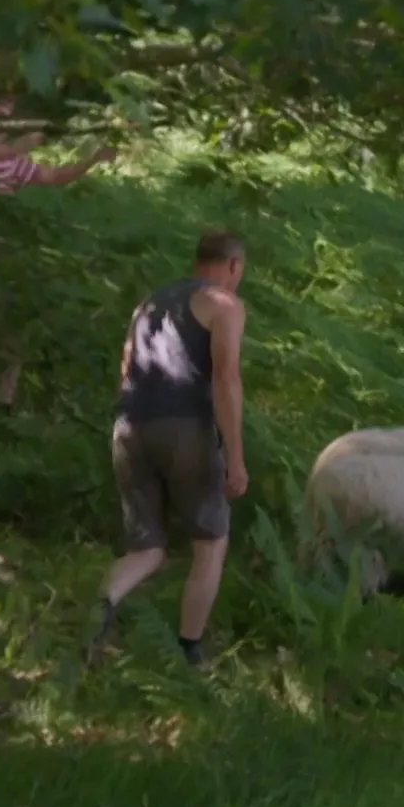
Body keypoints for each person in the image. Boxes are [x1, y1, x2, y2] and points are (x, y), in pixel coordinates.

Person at [89, 230, 250, 669]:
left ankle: (97, 613)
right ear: (233, 266)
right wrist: (235, 456)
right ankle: (188, 653)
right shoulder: (224, 305)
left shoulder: (149, 305)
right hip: (186, 430)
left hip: (129, 426)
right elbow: (226, 379)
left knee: (148, 550)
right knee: (210, 543)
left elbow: (126, 370)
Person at [0, 95, 119, 412]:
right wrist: (20, 145)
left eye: (6, 115)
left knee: (10, 326)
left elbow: (54, 176)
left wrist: (94, 159)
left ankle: (5, 400)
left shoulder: (13, 163)